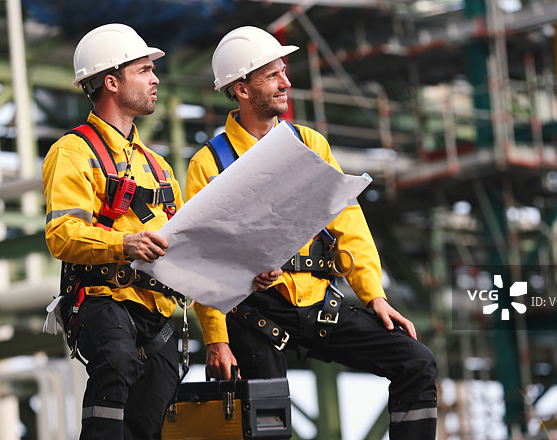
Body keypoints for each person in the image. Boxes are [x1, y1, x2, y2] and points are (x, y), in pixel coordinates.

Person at [185, 26, 438, 439]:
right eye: (272, 75)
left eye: (284, 71)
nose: (286, 82)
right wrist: (216, 338)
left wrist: (374, 296)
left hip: (321, 304)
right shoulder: (208, 164)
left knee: (416, 362)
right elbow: (203, 257)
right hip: (257, 313)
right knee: (267, 423)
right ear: (242, 89)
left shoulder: (310, 144)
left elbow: (348, 221)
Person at [43, 24, 279, 440]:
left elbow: (189, 247)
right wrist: (123, 242)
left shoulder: (157, 165)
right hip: (106, 302)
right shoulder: (74, 152)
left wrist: (242, 275)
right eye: (145, 70)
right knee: (113, 374)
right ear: (111, 82)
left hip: (160, 317)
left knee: (147, 425)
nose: (156, 80)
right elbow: (62, 234)